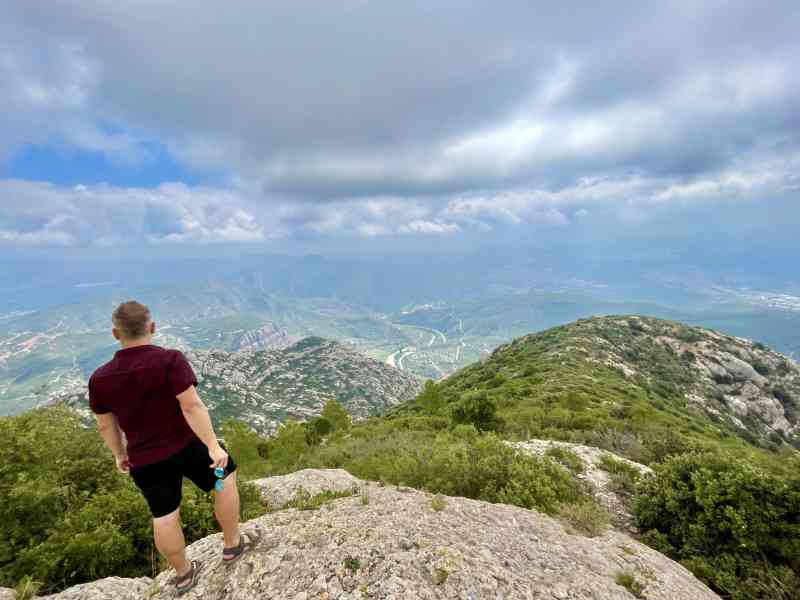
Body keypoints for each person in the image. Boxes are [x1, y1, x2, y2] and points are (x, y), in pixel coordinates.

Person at [88, 300, 258, 595]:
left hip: (145, 460)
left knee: (164, 515)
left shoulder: (100, 378)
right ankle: (232, 544)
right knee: (223, 479)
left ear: (116, 334)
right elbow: (192, 406)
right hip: (187, 447)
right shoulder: (169, 360)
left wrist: (119, 454)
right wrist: (213, 447)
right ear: (152, 328)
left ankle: (182, 574)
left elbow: (106, 425)